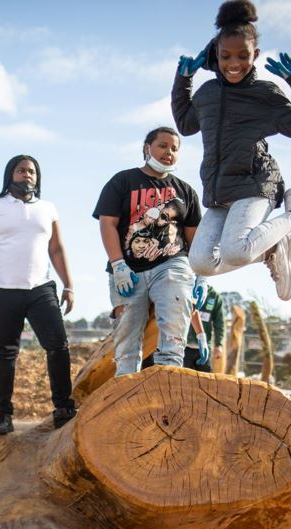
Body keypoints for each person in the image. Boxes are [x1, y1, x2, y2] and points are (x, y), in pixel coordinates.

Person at [171, 0, 291, 303]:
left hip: (255, 183)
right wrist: (183, 79)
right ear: (216, 54)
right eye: (225, 56)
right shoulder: (207, 94)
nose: (233, 63)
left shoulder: (264, 95)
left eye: (242, 55)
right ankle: (273, 248)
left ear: (256, 55)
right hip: (219, 191)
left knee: (235, 250)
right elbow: (185, 124)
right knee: (200, 262)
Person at [0, 155, 76, 437]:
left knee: (58, 346)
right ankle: (2, 416)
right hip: (2, 290)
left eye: (32, 171)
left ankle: (64, 408)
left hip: (41, 288)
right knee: (6, 353)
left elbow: (57, 249)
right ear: (10, 175)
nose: (27, 175)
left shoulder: (47, 208)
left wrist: (68, 285)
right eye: (21, 170)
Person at [94, 127, 202, 377]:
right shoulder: (122, 181)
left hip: (171, 264)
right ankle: (127, 392)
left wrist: (201, 275)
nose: (169, 152)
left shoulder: (185, 191)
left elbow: (193, 238)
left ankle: (168, 383)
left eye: (174, 149)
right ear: (147, 148)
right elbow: (107, 223)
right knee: (127, 338)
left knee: (174, 329)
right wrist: (118, 264)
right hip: (128, 270)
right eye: (163, 146)